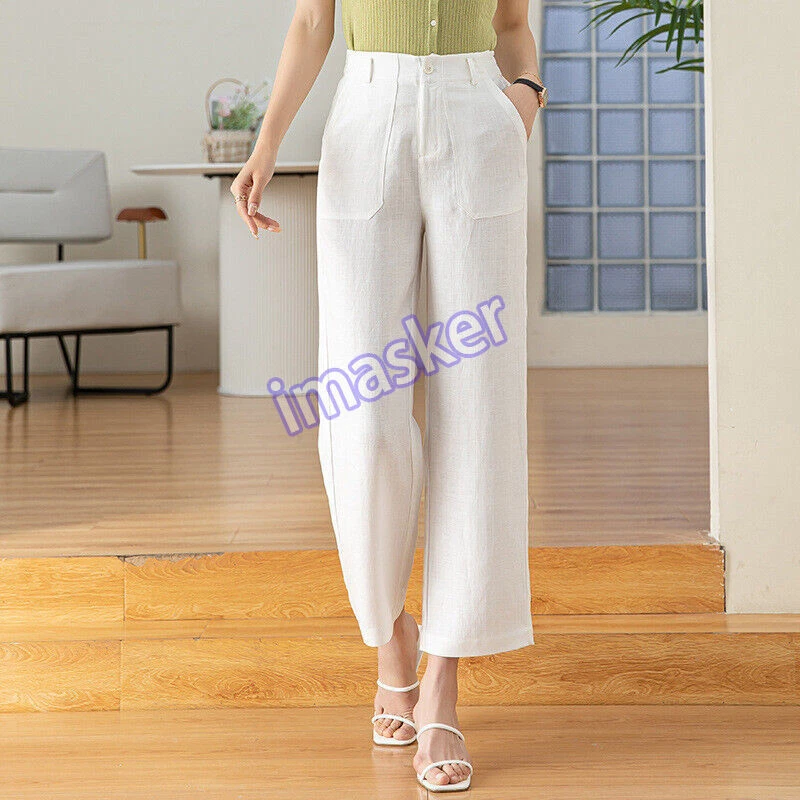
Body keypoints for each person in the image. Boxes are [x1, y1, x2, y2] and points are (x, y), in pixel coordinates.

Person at [231, 0, 545, 791]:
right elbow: (312, 24)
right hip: (367, 120)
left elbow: (512, 23)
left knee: (480, 406)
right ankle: (389, 633)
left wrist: (524, 98)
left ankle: (442, 679)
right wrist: (267, 143)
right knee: (361, 414)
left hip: (479, 117)